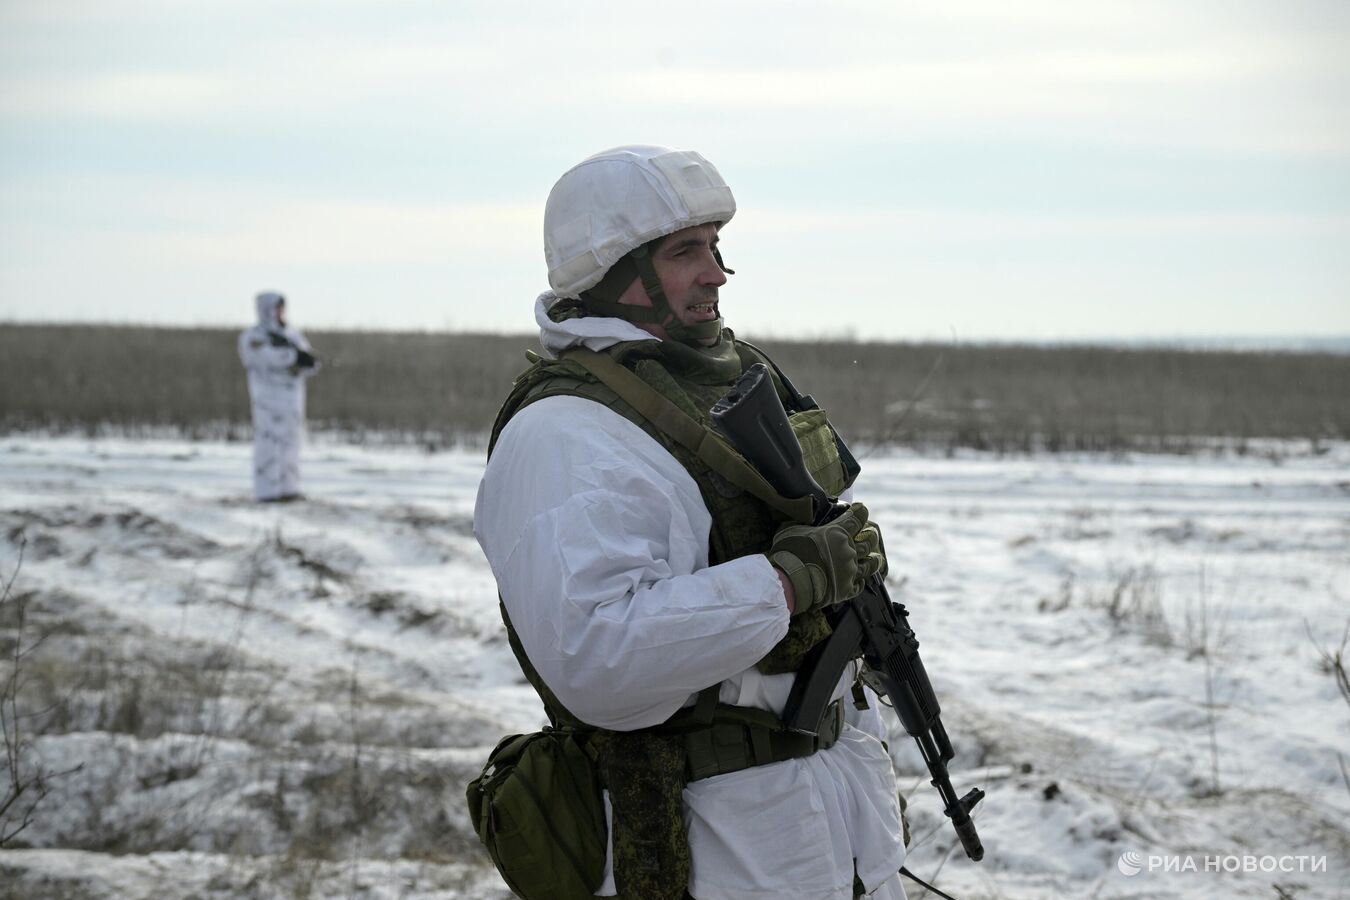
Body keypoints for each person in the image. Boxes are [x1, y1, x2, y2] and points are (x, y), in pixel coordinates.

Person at [473, 145, 907, 900]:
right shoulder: (565, 434)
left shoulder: (722, 383)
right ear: (612, 272)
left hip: (828, 830)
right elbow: (598, 657)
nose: (717, 273)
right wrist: (787, 584)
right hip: (720, 851)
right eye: (685, 253)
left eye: (714, 246)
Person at [238, 290, 319, 502]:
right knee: (268, 445)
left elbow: (309, 361)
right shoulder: (253, 337)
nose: (280, 312)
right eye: (276, 308)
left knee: (291, 444)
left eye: (282, 308)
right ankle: (267, 492)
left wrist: (307, 361)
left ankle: (289, 490)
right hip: (267, 402)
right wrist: (292, 357)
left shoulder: (293, 335)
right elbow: (265, 357)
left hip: (292, 402)